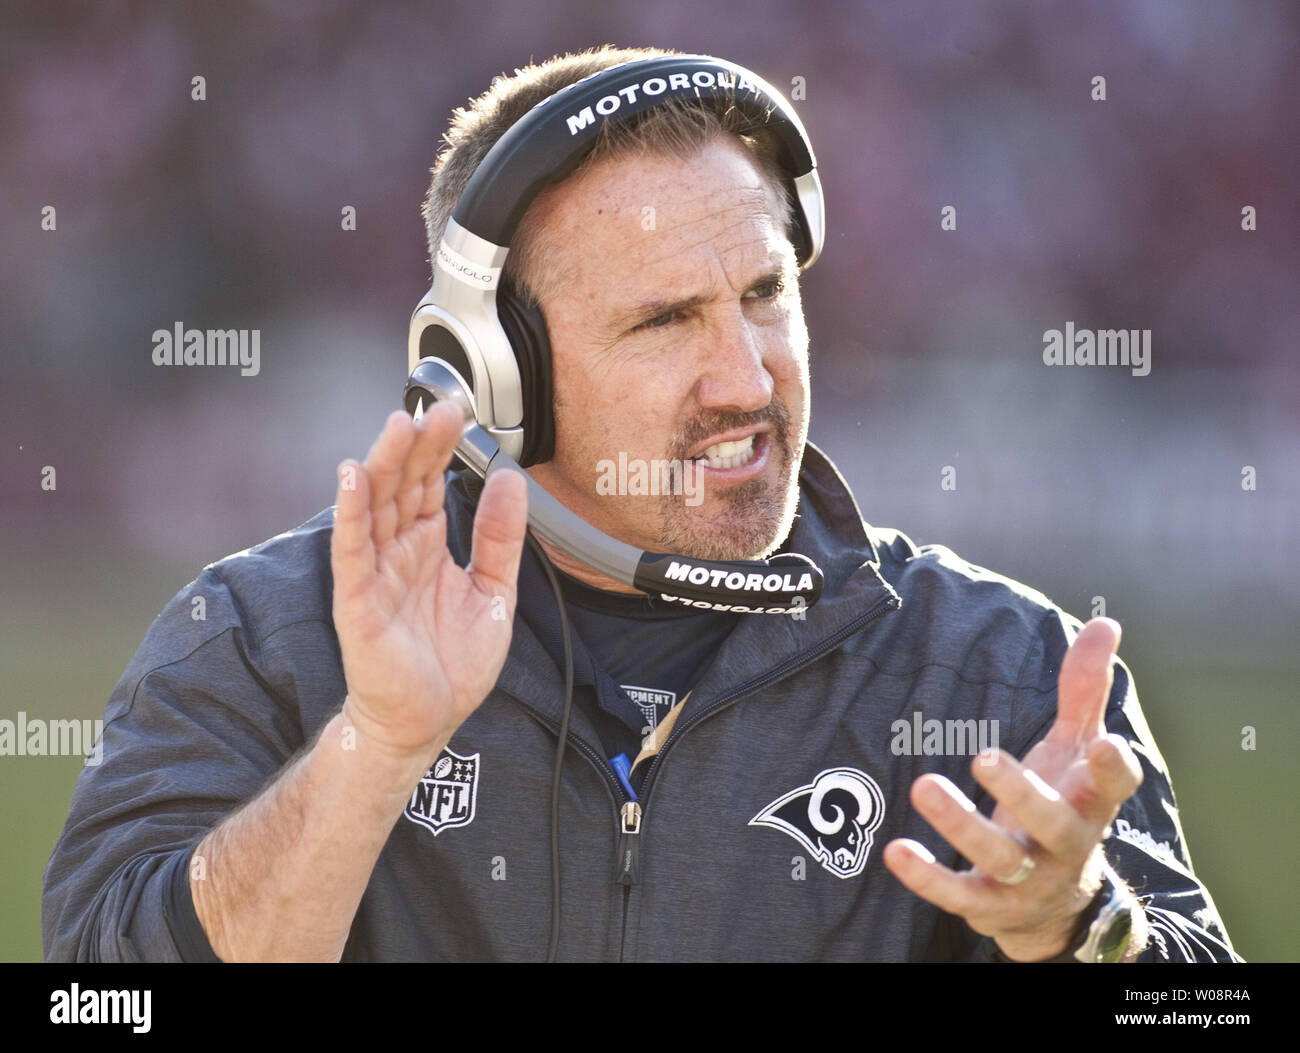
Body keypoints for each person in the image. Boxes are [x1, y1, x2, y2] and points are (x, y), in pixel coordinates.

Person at [43, 45, 1238, 963]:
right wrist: (372, 748)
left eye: (765, 295)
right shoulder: (266, 640)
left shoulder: (994, 671)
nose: (748, 377)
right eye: (664, 321)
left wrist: (1083, 928)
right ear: (496, 373)